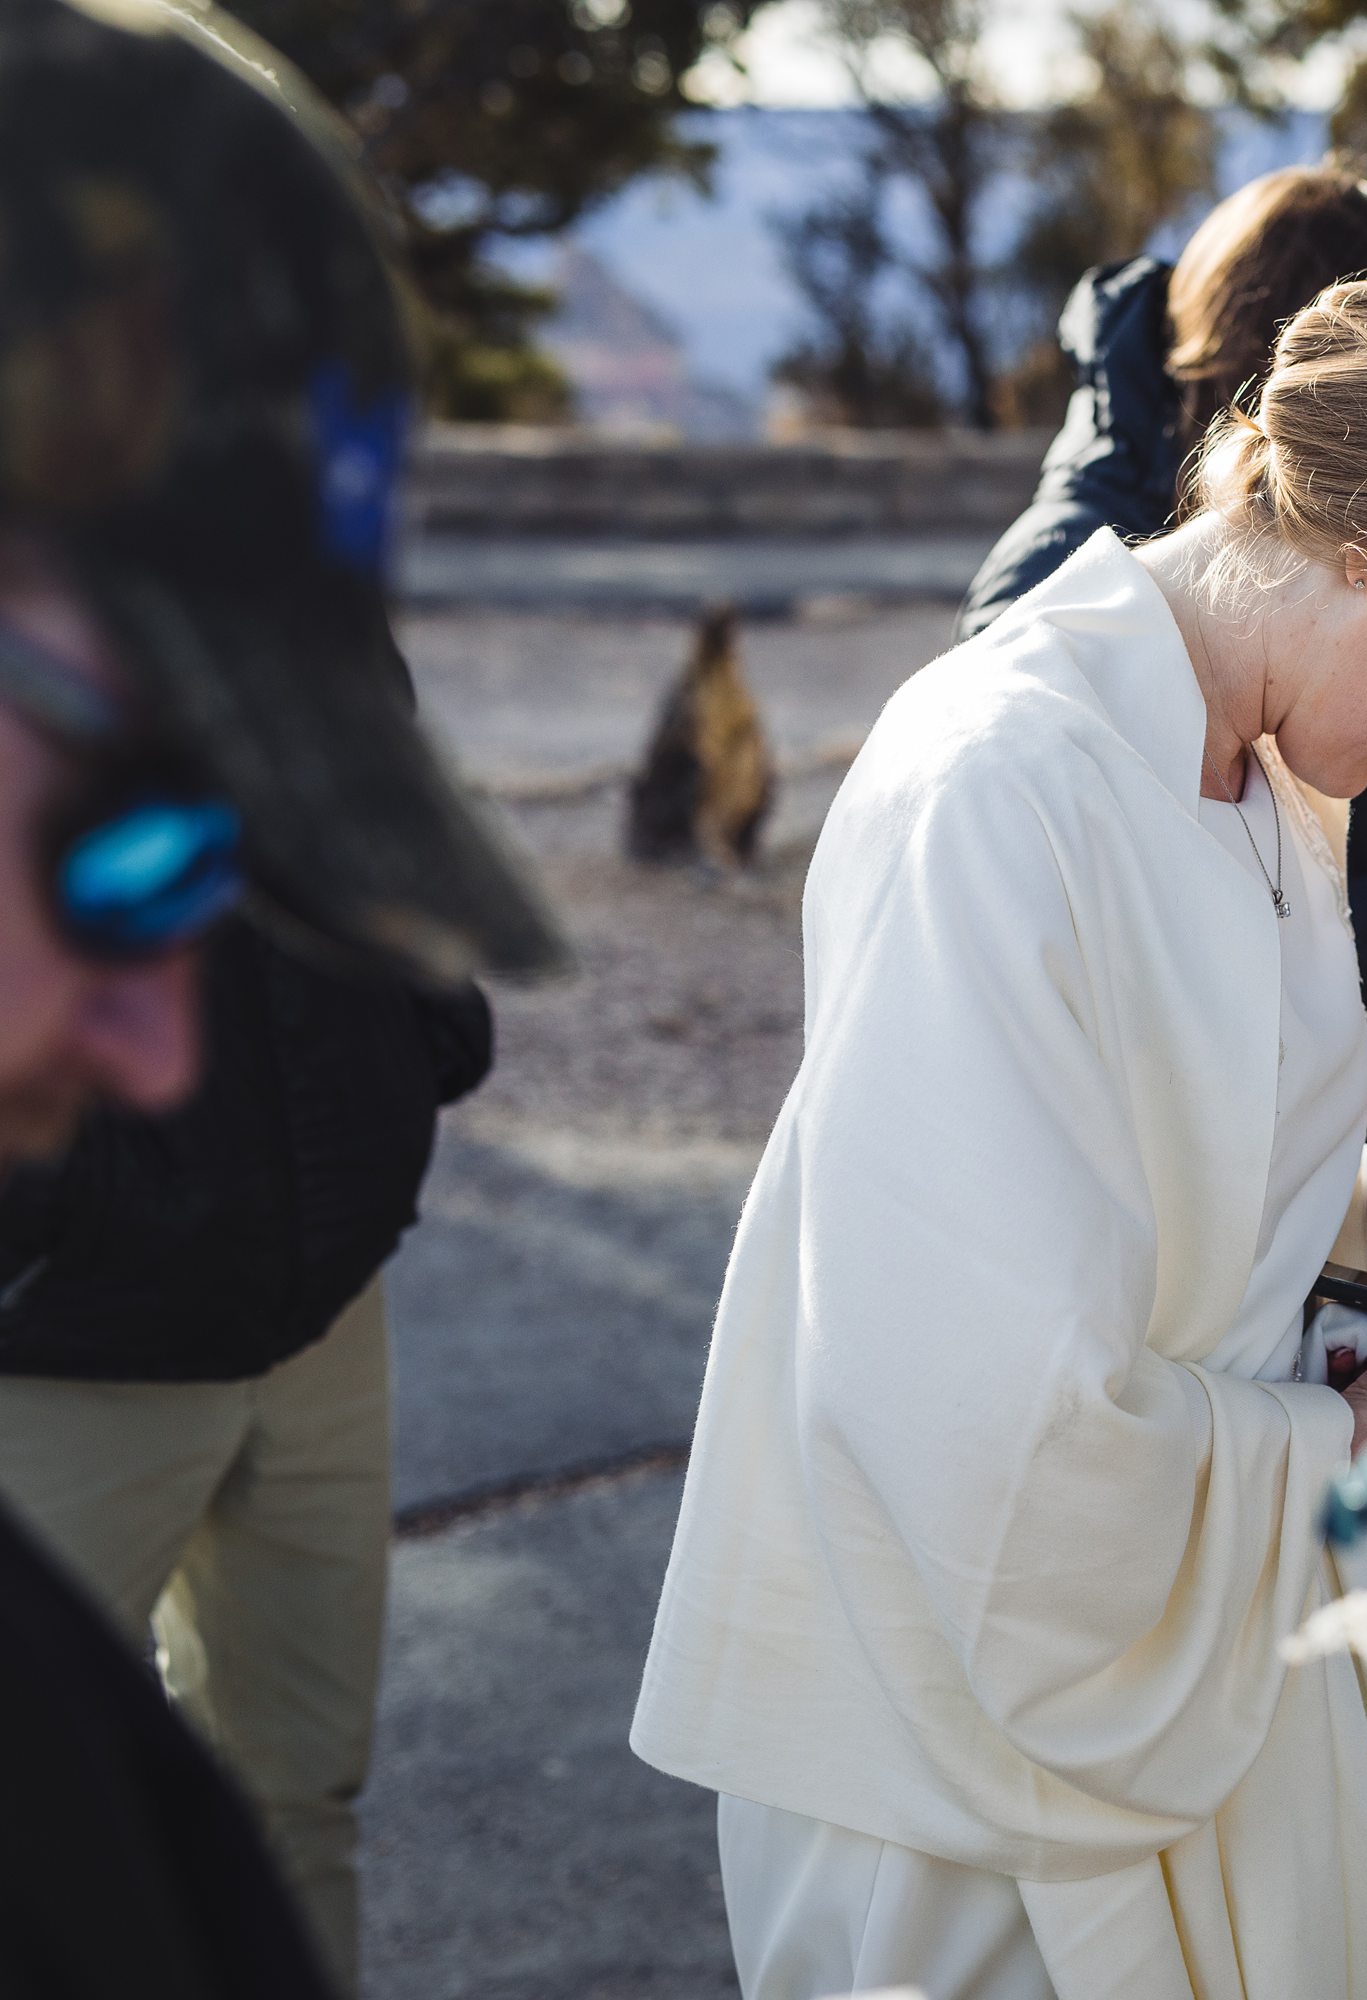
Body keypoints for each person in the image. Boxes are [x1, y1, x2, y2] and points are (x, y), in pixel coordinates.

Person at [631, 263, 1367, 2000]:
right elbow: (972, 1381)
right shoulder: (1003, 780)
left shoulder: (1256, 765)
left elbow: (1127, 1142)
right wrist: (1348, 1441)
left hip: (1222, 1619)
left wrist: (1362, 1213)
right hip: (1000, 1739)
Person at [0, 2, 565, 1994]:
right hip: (78, 1329)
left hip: (312, 1284)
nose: (149, 1027)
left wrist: (414, 1049)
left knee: (269, 1817)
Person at [958, 162, 1367, 1148]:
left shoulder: (1239, 543)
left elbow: (1284, 799)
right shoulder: (1065, 587)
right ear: (1295, 379)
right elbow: (1100, 921)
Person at [0, 921, 492, 1993]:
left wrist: (420, 1031)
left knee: (300, 1799)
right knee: (31, 1853)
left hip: (322, 1310)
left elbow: (368, 800)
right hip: (58, 1349)